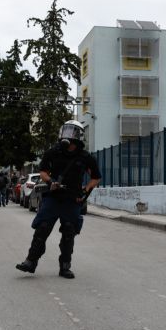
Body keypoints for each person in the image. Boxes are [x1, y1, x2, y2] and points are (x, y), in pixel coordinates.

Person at [16, 120, 101, 279]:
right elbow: (43, 172)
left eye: (72, 131)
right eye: (66, 130)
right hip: (53, 197)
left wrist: (85, 191)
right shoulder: (53, 152)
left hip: (72, 199)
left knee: (69, 232)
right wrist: (50, 182)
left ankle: (65, 266)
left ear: (79, 135)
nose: (68, 134)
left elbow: (96, 177)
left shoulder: (85, 157)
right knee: (42, 228)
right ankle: (30, 261)